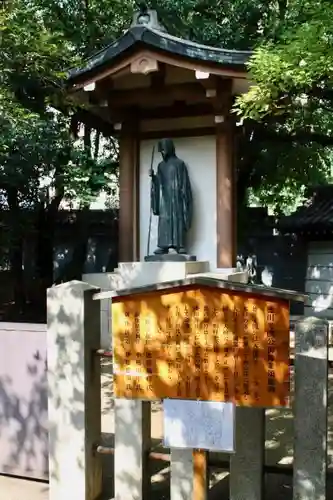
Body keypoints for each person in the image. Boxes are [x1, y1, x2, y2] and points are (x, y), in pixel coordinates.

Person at [150, 138, 193, 254]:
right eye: (161, 151)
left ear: (169, 149)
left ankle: (178, 245)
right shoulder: (160, 166)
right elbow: (158, 183)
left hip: (177, 197)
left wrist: (183, 195)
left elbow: (185, 183)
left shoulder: (180, 164)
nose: (163, 153)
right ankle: (163, 245)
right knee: (164, 220)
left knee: (177, 219)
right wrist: (154, 178)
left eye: (164, 150)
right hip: (165, 198)